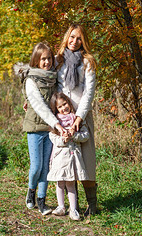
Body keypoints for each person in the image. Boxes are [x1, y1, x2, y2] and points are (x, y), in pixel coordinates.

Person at [56, 23, 97, 217]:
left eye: (79, 38)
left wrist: (79, 117)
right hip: (63, 117)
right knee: (66, 160)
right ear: (67, 38)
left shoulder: (88, 61)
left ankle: (92, 204)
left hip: (82, 115)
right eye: (72, 37)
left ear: (84, 41)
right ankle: (73, 205)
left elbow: (89, 91)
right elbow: (52, 86)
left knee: (86, 160)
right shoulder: (59, 60)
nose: (74, 41)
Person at [22, 42, 65, 215]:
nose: (47, 62)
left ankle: (42, 200)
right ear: (36, 60)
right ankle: (31, 191)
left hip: (49, 128)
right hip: (35, 126)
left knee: (46, 167)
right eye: (43, 59)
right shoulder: (31, 80)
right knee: (36, 166)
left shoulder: (53, 78)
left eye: (49, 58)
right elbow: (39, 105)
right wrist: (57, 124)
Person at [47, 92, 89, 220]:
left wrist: (74, 136)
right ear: (56, 109)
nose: (63, 108)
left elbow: (85, 135)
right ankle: (61, 207)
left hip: (73, 157)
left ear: (69, 103)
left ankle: (73, 209)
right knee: (60, 183)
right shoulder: (56, 122)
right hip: (60, 158)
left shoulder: (77, 119)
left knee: (71, 183)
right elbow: (52, 137)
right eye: (59, 107)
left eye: (65, 104)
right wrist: (63, 139)